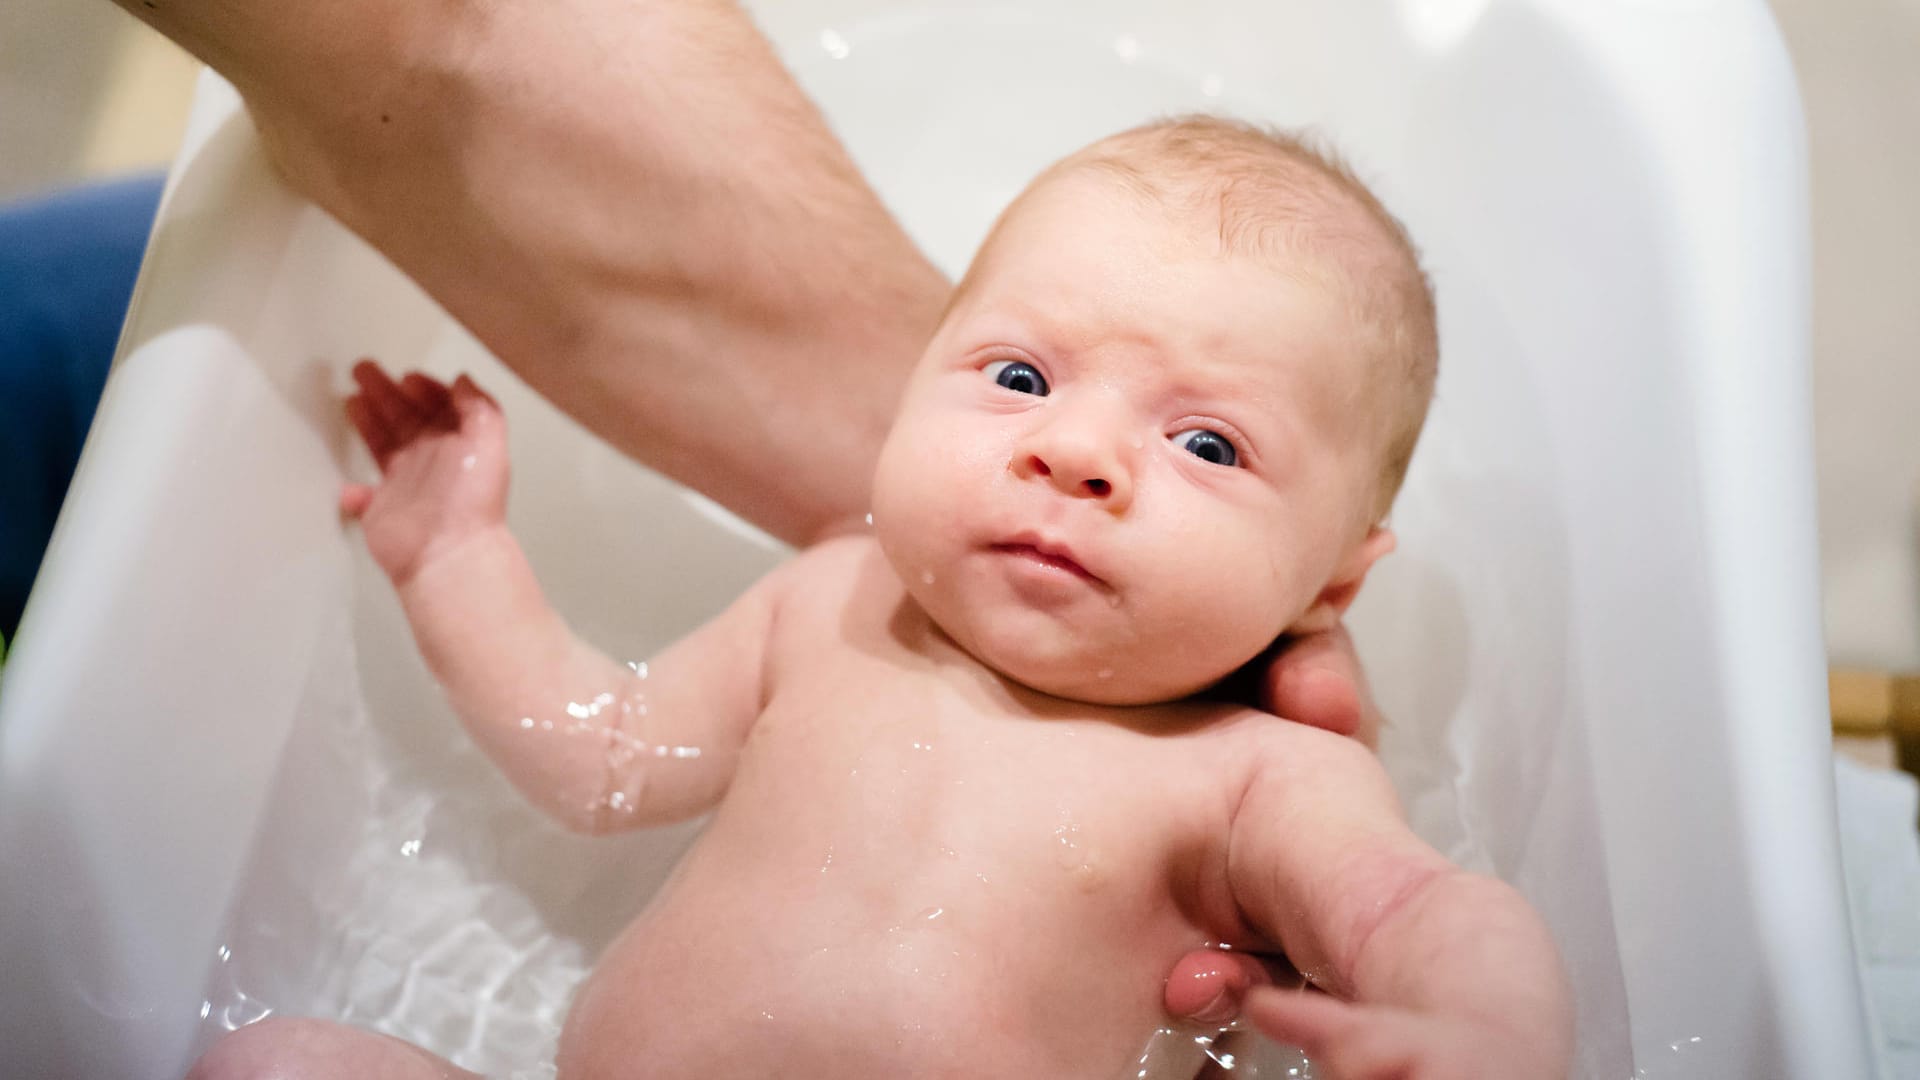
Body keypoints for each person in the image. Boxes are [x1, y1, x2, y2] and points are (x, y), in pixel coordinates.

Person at [101, 0, 1393, 1036]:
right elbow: (603, 757)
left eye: (1207, 444)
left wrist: (1475, 1034)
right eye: (1017, 379)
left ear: (1332, 585)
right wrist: (454, 560)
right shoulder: (832, 601)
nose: (1074, 454)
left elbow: (1425, 924)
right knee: (273, 1061)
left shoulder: (1256, 774)